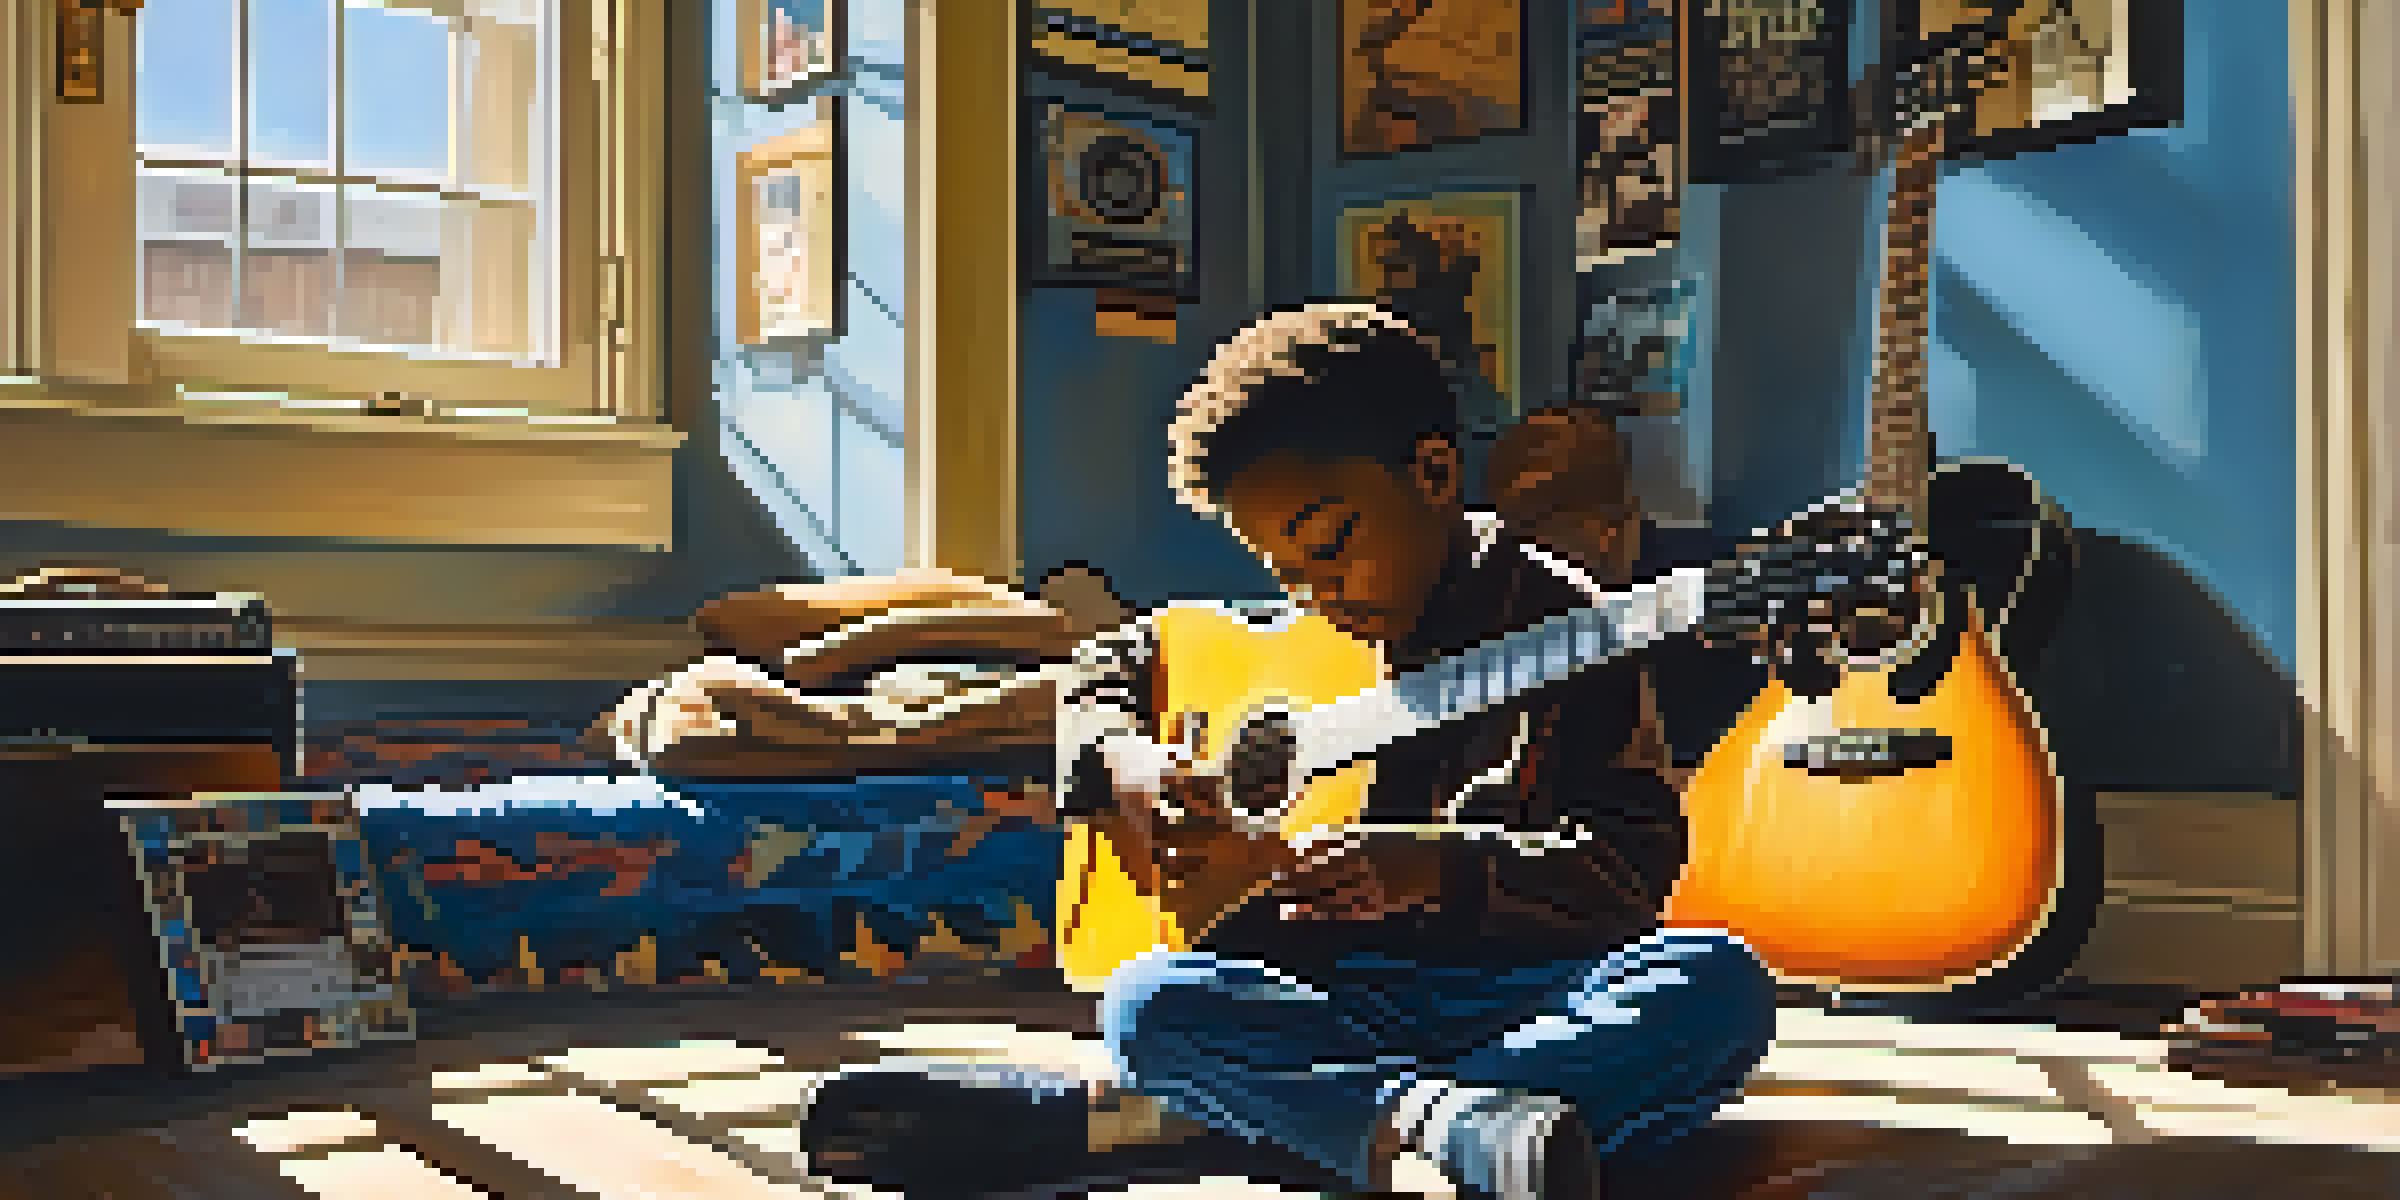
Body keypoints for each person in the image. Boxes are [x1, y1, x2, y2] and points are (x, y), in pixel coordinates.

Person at [799, 304, 1890, 1199]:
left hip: (1513, 991)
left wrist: (1433, 867)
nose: (1314, 589)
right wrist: (1125, 764)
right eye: (1282, 568)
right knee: (1150, 999)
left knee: (1716, 986)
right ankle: (1440, 1125)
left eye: (1331, 545)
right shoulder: (1293, 631)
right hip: (1318, 991)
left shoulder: (1568, 622)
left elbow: (1631, 863)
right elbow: (1104, 669)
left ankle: (1269, 1117)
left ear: (1428, 472)